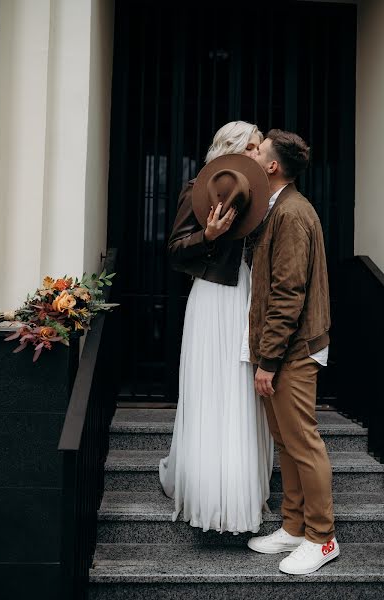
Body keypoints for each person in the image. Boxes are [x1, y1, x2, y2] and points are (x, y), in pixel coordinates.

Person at [159, 121, 274, 534]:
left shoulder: (262, 194)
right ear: (234, 149)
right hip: (210, 296)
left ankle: (238, 487)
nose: (260, 154)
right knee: (209, 385)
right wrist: (206, 236)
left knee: (238, 387)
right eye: (254, 147)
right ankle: (209, 490)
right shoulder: (197, 188)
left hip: (243, 293)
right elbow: (173, 251)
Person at [247, 129, 338, 574]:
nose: (253, 154)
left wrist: (268, 360)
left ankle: (322, 539)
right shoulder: (277, 209)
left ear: (272, 166)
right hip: (283, 350)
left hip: (294, 350)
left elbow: (288, 294)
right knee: (285, 441)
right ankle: (294, 527)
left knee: (303, 442)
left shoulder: (292, 214)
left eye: (259, 151)